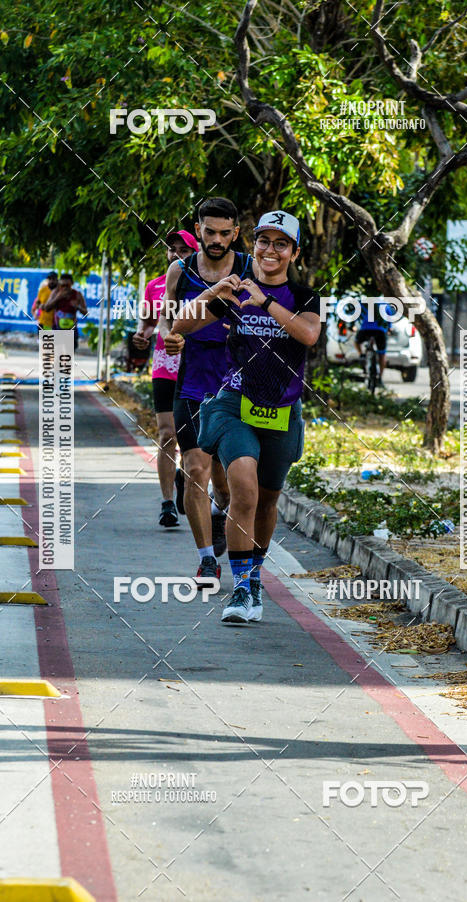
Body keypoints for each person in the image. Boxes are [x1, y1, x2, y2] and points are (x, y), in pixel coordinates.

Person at [163, 210, 321, 624]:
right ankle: (242, 588)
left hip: (282, 408)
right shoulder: (235, 291)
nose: (271, 250)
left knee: (267, 501)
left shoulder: (304, 297)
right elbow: (180, 325)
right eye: (264, 241)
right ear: (254, 244)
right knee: (244, 490)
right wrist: (213, 293)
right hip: (235, 403)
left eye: (281, 244)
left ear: (294, 253)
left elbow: (308, 334)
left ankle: (254, 578)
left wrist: (265, 301)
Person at [159, 197, 254, 582]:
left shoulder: (250, 268)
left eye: (224, 233)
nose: (216, 240)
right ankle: (206, 560)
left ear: (235, 233)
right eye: (209, 232)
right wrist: (169, 337)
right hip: (193, 381)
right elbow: (166, 319)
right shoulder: (179, 271)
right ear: (198, 230)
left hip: (236, 383)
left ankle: (219, 512)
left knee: (227, 483)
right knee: (195, 467)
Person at [133, 229, 199, 529]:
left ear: (195, 253)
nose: (176, 255)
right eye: (172, 249)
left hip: (195, 368)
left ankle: (184, 475)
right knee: (166, 434)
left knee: (190, 438)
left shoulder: (205, 284)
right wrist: (142, 336)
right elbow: (148, 323)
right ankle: (167, 502)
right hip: (164, 365)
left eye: (184, 250)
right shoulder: (154, 286)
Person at [354, 296, 395, 386]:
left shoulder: (363, 304)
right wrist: (389, 329)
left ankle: (361, 354)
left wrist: (353, 326)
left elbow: (356, 316)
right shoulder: (385, 304)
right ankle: (380, 378)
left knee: (356, 342)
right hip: (380, 331)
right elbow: (389, 320)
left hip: (365, 330)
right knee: (382, 354)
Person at [43, 273, 88, 348]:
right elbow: (46, 308)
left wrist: (78, 307)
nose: (65, 288)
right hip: (57, 329)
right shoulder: (55, 293)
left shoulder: (77, 295)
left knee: (69, 352)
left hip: (71, 329)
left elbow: (86, 313)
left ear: (72, 284)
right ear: (59, 284)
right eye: (62, 285)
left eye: (67, 285)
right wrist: (58, 298)